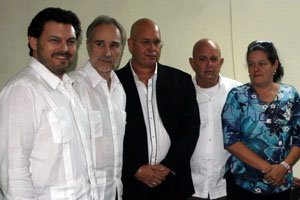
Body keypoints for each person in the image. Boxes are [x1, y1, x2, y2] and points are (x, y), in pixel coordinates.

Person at [0, 7, 98, 199]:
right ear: (34, 42)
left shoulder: (69, 89)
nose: (64, 49)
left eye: (70, 42)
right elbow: (13, 173)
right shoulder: (22, 90)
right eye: (55, 40)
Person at [116, 18, 200, 200]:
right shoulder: (114, 83)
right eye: (145, 42)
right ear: (130, 45)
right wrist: (136, 169)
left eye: (156, 42)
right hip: (131, 184)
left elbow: (191, 129)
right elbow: (110, 137)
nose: (152, 48)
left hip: (173, 182)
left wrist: (168, 166)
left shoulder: (181, 81)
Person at [221, 40, 300, 200]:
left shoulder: (290, 95)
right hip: (243, 185)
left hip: (280, 184)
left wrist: (284, 167)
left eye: (262, 63)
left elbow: (298, 138)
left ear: (275, 65)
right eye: (251, 64)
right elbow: (231, 141)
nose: (255, 69)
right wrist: (271, 170)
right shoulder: (237, 96)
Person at [69, 15, 126, 200]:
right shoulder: (72, 87)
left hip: (115, 190)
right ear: (87, 45)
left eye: (114, 45)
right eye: (100, 44)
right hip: (85, 193)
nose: (107, 53)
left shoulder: (120, 90)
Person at [188, 39, 241, 200]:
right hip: (190, 188)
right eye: (202, 59)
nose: (209, 64)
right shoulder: (182, 93)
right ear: (192, 63)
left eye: (214, 59)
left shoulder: (237, 92)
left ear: (221, 62)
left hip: (226, 188)